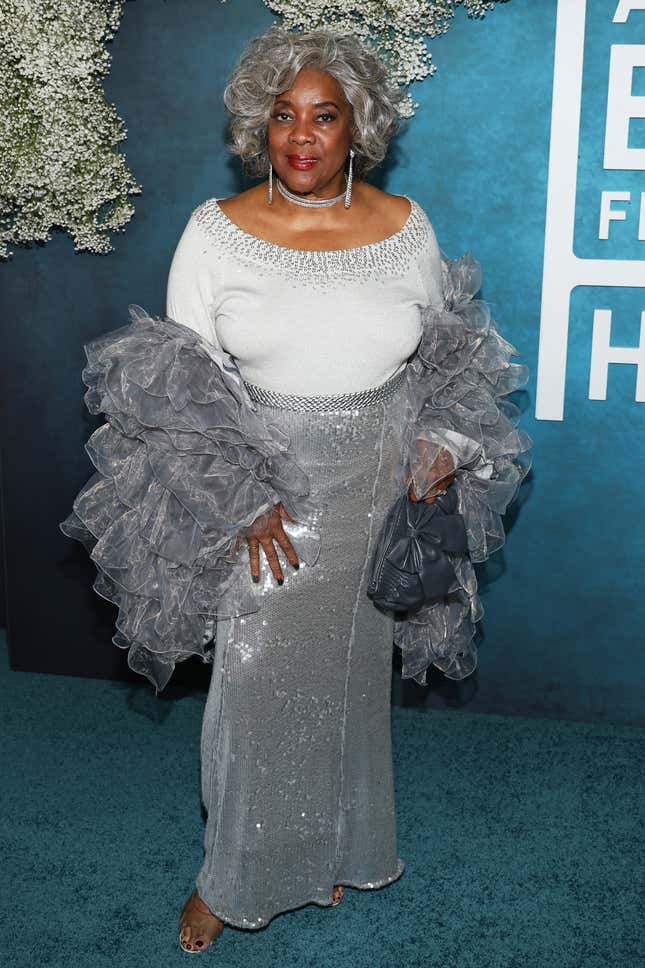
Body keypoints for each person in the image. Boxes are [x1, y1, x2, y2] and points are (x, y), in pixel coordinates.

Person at [59, 26, 531, 954]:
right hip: (267, 493)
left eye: (324, 115)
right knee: (250, 687)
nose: (302, 136)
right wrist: (236, 496)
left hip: (380, 490)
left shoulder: (407, 227)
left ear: (359, 127)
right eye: (284, 116)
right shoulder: (214, 231)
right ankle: (230, 875)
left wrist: (439, 443)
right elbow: (175, 392)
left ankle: (334, 854)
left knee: (351, 686)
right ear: (259, 128)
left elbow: (450, 361)